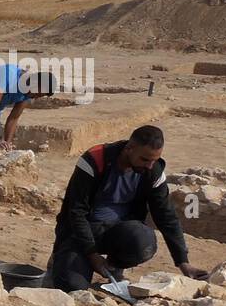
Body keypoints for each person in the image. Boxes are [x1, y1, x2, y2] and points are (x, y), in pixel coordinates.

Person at [47, 125, 207, 292]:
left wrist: (183, 262)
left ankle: (112, 267)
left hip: (118, 232)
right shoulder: (95, 160)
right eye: (145, 159)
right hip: (80, 233)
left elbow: (166, 216)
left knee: (143, 241)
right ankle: (63, 257)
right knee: (72, 287)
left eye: (154, 160)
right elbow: (76, 212)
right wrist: (92, 255)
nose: (150, 166)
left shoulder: (153, 171)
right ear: (129, 148)